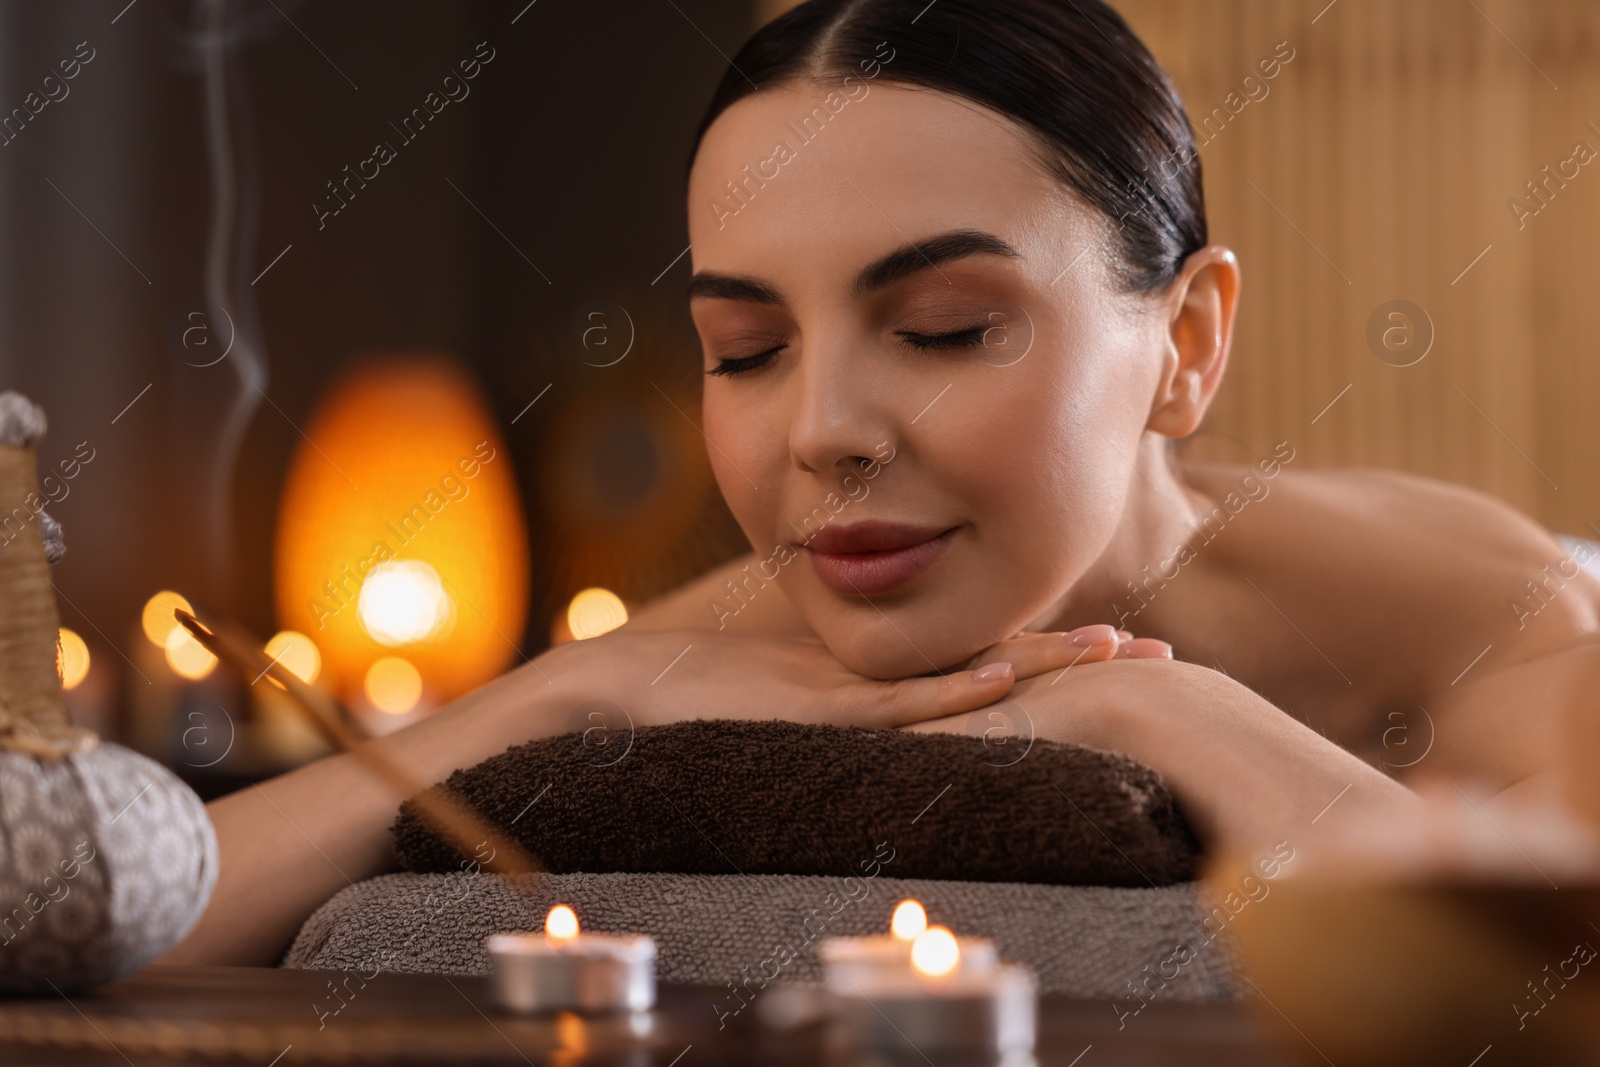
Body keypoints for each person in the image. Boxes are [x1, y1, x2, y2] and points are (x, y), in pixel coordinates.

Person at [159, 0, 1600, 968]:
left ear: (1188, 342)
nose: (822, 433)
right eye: (747, 349)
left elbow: (1545, 958)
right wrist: (567, 697)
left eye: (943, 331)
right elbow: (108, 913)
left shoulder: (1467, 605)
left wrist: (1159, 708)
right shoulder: (703, 653)